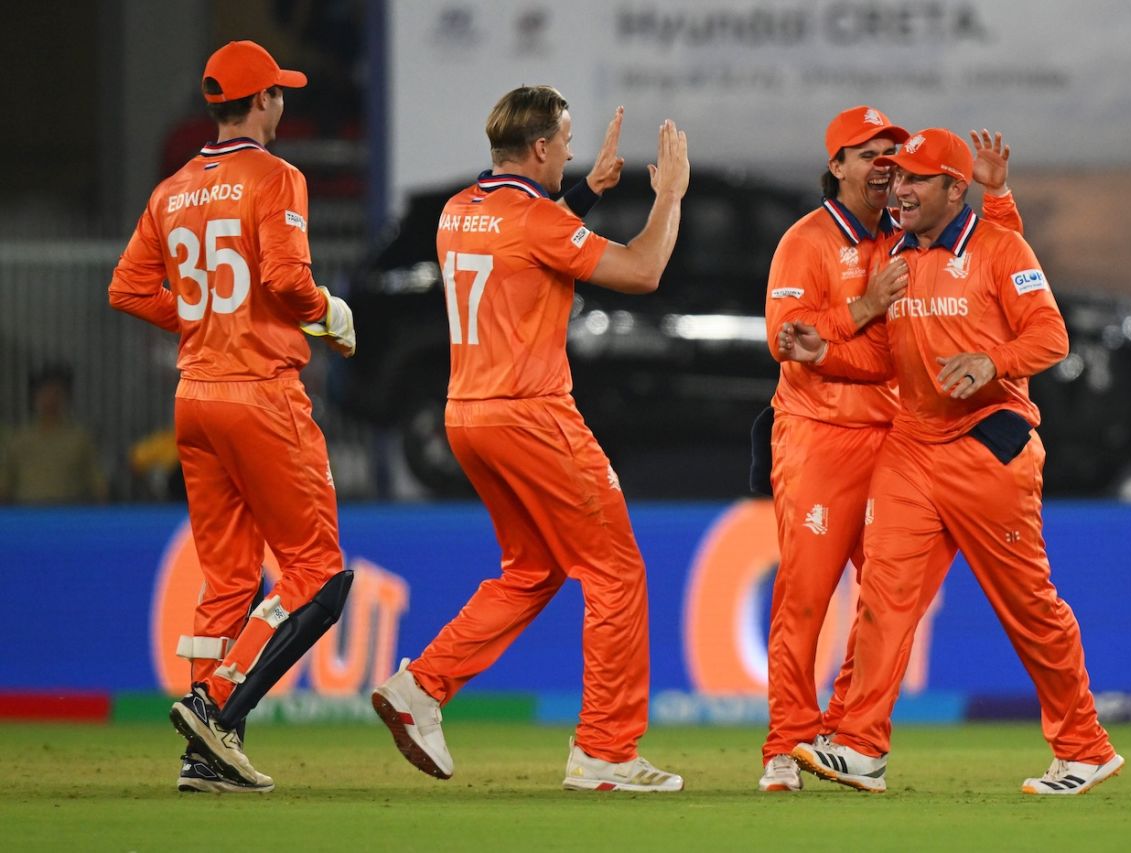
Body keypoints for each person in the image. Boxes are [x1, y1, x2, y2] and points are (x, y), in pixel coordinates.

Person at [778, 128, 1123, 795]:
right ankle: (860, 745)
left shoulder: (1000, 248)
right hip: (911, 443)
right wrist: (823, 353)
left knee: (1027, 605)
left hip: (988, 445)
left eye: (914, 179)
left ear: (953, 189)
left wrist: (993, 361)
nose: (898, 190)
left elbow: (1051, 335)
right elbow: (883, 359)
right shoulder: (896, 258)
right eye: (895, 177)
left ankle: (1084, 746)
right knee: (883, 596)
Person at [370, 86, 689, 793]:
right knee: (615, 572)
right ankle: (605, 749)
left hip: (467, 415)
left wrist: (585, 193)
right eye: (567, 141)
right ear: (541, 147)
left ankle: (421, 686)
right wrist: (669, 196)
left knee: (534, 568)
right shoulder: (535, 220)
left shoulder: (459, 211)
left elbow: (526, 241)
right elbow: (642, 270)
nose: (573, 151)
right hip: (531, 414)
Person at [108, 40, 357, 794]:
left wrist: (199, 322)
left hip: (196, 398)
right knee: (319, 574)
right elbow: (285, 276)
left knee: (226, 582)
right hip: (260, 392)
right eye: (278, 93)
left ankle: (204, 757)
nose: (284, 103)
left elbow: (126, 288)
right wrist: (327, 314)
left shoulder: (174, 188)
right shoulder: (277, 176)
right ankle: (214, 705)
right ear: (262, 102)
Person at [757, 107, 1024, 793]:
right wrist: (863, 307)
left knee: (887, 599)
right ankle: (785, 742)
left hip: (902, 440)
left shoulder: (910, 234)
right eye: (866, 152)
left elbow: (990, 267)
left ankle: (844, 732)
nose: (883, 165)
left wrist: (997, 195)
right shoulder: (806, 241)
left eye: (891, 154)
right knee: (807, 597)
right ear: (837, 165)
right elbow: (786, 337)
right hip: (821, 437)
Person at [0, 365, 107, 504]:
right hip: (26, 513)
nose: (50, 400)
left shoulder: (79, 438)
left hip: (68, 512)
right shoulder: (18, 438)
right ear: (35, 398)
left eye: (56, 394)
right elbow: (5, 481)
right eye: (45, 394)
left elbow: (97, 480)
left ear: (66, 398)